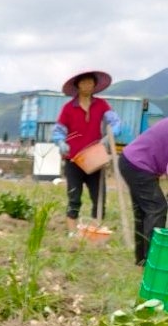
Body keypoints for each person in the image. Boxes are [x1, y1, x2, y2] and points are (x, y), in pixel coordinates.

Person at [51, 71, 121, 229]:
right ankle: (71, 231)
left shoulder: (102, 105)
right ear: (77, 85)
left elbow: (115, 122)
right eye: (84, 82)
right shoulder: (68, 108)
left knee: (99, 197)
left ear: (95, 85)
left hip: (95, 158)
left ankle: (96, 230)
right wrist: (61, 141)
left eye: (91, 82)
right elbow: (58, 130)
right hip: (73, 159)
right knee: (74, 197)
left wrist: (111, 134)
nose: (87, 85)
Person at [118, 118, 168, 265]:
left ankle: (142, 260)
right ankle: (153, 262)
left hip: (131, 161)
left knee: (143, 212)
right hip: (138, 165)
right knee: (157, 208)